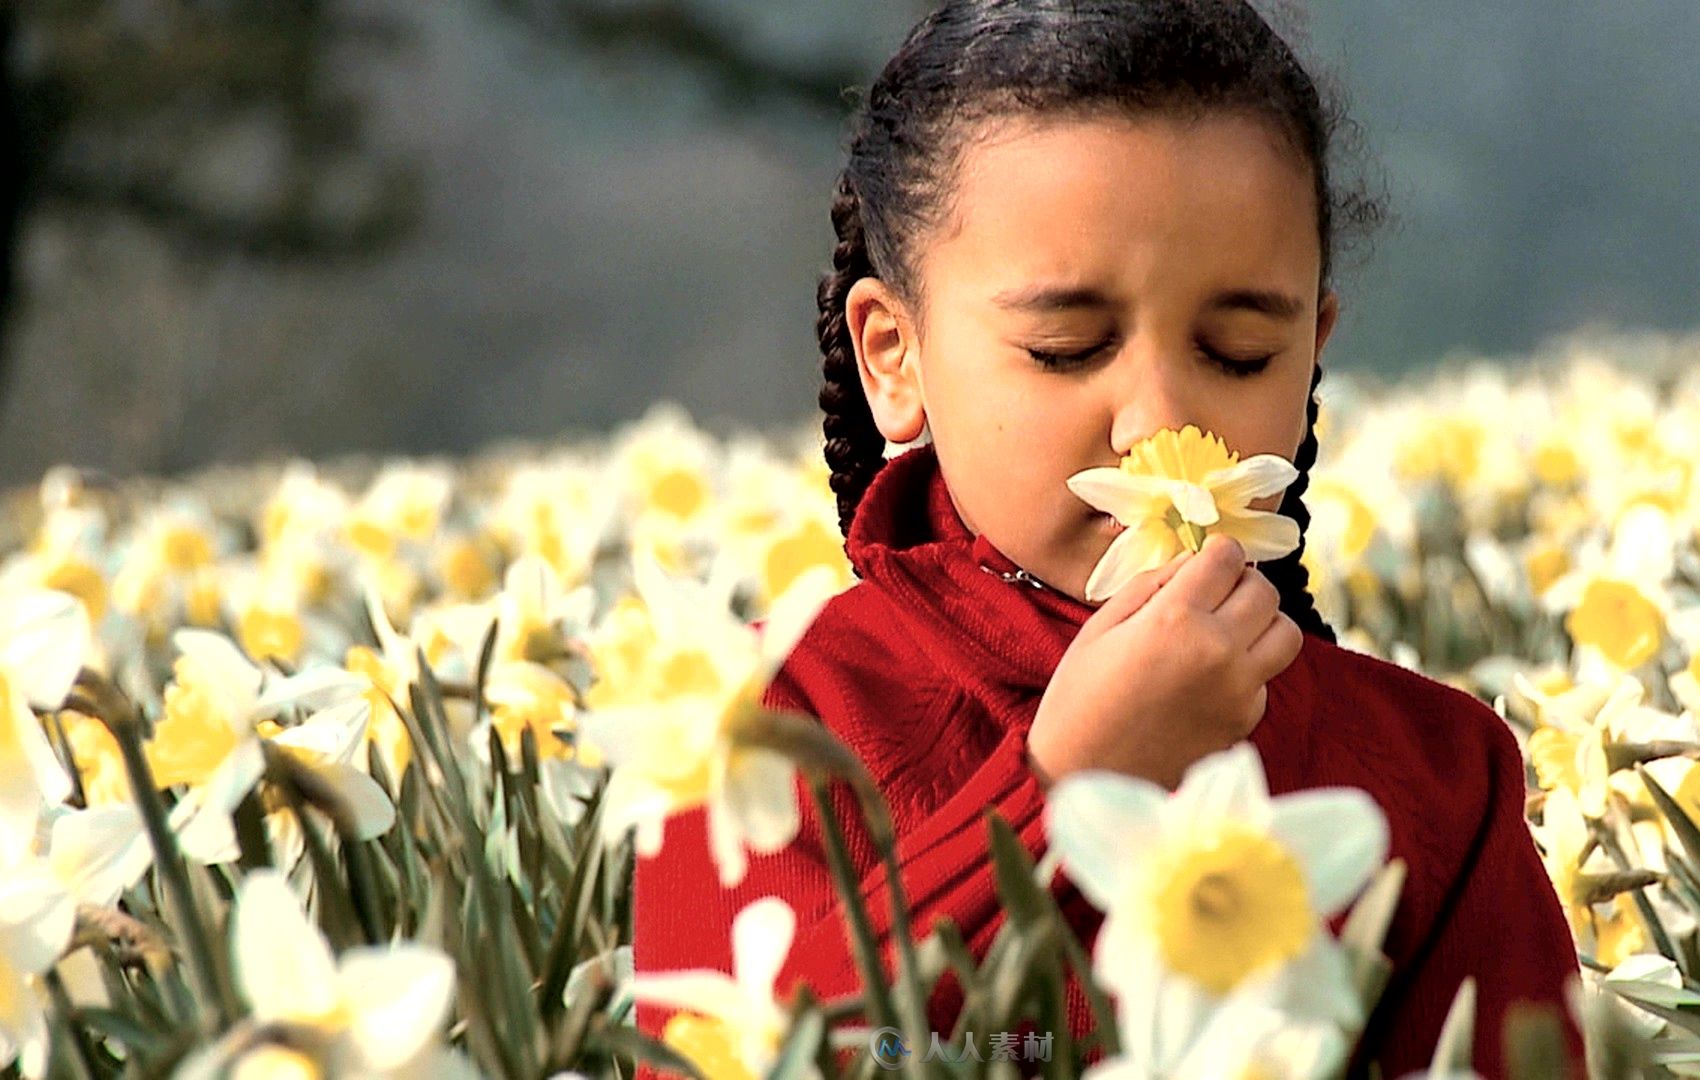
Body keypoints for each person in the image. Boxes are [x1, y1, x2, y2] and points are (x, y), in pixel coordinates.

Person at [632, 2, 1585, 1077]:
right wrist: (1065, 790)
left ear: (1311, 350)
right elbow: (734, 1057)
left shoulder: (1439, 778)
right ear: (893, 358)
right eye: (1067, 348)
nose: (1157, 426)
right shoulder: (759, 721)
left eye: (1236, 352)